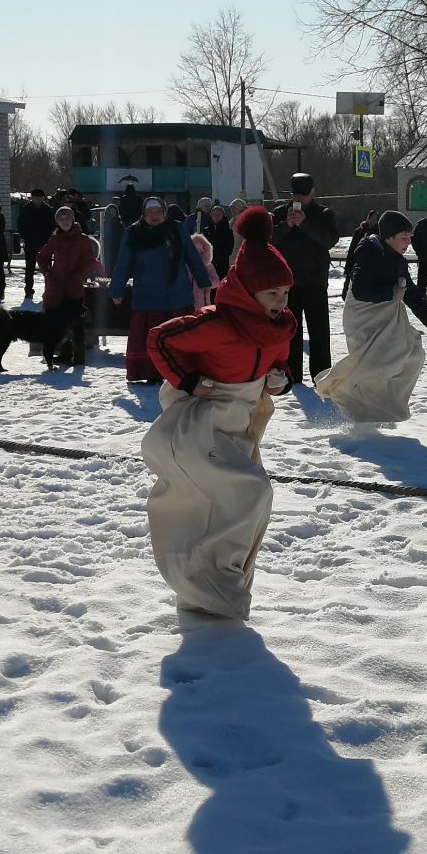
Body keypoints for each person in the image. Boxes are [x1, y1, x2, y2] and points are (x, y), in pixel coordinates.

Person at [141, 206, 296, 620]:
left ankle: (215, 584)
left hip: (243, 424)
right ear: (247, 291)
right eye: (272, 295)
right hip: (204, 423)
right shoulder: (218, 323)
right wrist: (188, 381)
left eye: (285, 294)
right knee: (246, 493)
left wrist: (279, 377)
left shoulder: (282, 324)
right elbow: (160, 340)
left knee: (244, 502)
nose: (281, 303)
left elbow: (278, 361)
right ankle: (207, 583)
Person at [317, 210, 427, 424]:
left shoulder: (397, 259)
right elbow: (359, 290)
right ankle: (343, 389)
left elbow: (412, 292)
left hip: (386, 317)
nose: (408, 244)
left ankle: (380, 409)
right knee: (376, 364)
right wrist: (391, 293)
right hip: (364, 318)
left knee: (414, 355)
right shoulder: (370, 254)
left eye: (410, 238)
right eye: (404, 238)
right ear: (389, 237)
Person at [111, 199, 214, 384]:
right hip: (147, 297)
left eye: (158, 211)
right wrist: (116, 289)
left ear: (165, 213)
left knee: (180, 336)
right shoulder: (133, 233)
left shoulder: (177, 229)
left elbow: (192, 256)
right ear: (143, 214)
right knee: (151, 337)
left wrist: (203, 280)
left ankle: (183, 371)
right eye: (150, 212)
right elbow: (124, 263)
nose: (154, 216)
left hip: (178, 294)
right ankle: (151, 373)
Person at [271, 172, 340, 386]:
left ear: (313, 193)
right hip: (287, 283)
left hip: (314, 281)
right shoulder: (281, 212)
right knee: (291, 330)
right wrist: (286, 226)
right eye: (295, 194)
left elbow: (329, 240)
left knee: (319, 331)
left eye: (303, 194)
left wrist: (305, 224)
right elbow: (269, 240)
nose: (298, 199)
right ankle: (292, 374)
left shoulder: (324, 214)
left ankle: (321, 376)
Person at [37, 203, 100, 326]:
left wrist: (79, 276)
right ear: (57, 222)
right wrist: (47, 272)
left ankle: (78, 344)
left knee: (75, 322)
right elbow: (42, 256)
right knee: (52, 320)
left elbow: (90, 261)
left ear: (72, 219)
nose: (64, 222)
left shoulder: (83, 239)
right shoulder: (55, 239)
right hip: (55, 285)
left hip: (74, 285)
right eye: (61, 219)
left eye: (67, 218)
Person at [17, 189, 56, 302]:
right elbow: (20, 225)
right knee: (29, 268)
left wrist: (48, 239)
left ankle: (48, 290)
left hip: (45, 244)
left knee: (47, 269)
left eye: (40, 198)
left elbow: (52, 226)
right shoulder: (26, 210)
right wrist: (26, 236)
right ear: (32, 198)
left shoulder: (48, 210)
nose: (38, 200)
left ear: (43, 198)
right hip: (30, 243)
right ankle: (28, 291)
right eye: (36, 198)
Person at [204, 201, 235, 279]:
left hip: (222, 265)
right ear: (211, 216)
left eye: (218, 215)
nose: (216, 217)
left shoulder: (228, 231)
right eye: (214, 215)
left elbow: (229, 249)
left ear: (223, 216)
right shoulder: (206, 231)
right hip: (209, 264)